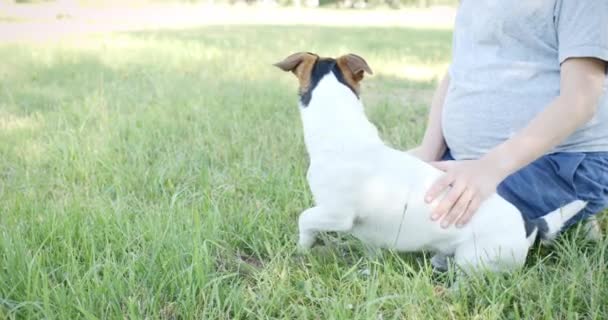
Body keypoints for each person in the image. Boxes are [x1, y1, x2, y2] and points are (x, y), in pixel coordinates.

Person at [409, 0, 608, 236]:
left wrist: (488, 169)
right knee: (384, 190)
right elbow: (460, 70)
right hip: (477, 161)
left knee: (429, 218)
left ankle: (565, 216)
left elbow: (580, 102)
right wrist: (428, 151)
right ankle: (559, 223)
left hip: (559, 162)